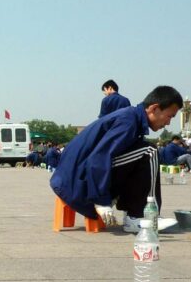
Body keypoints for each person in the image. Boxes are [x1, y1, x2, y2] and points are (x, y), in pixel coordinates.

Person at [51, 86, 182, 233]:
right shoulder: (128, 121)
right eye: (170, 116)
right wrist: (101, 200)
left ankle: (134, 214)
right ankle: (142, 216)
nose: (168, 123)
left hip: (72, 180)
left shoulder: (131, 119)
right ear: (154, 108)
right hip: (76, 185)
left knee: (142, 151)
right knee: (149, 151)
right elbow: (99, 157)